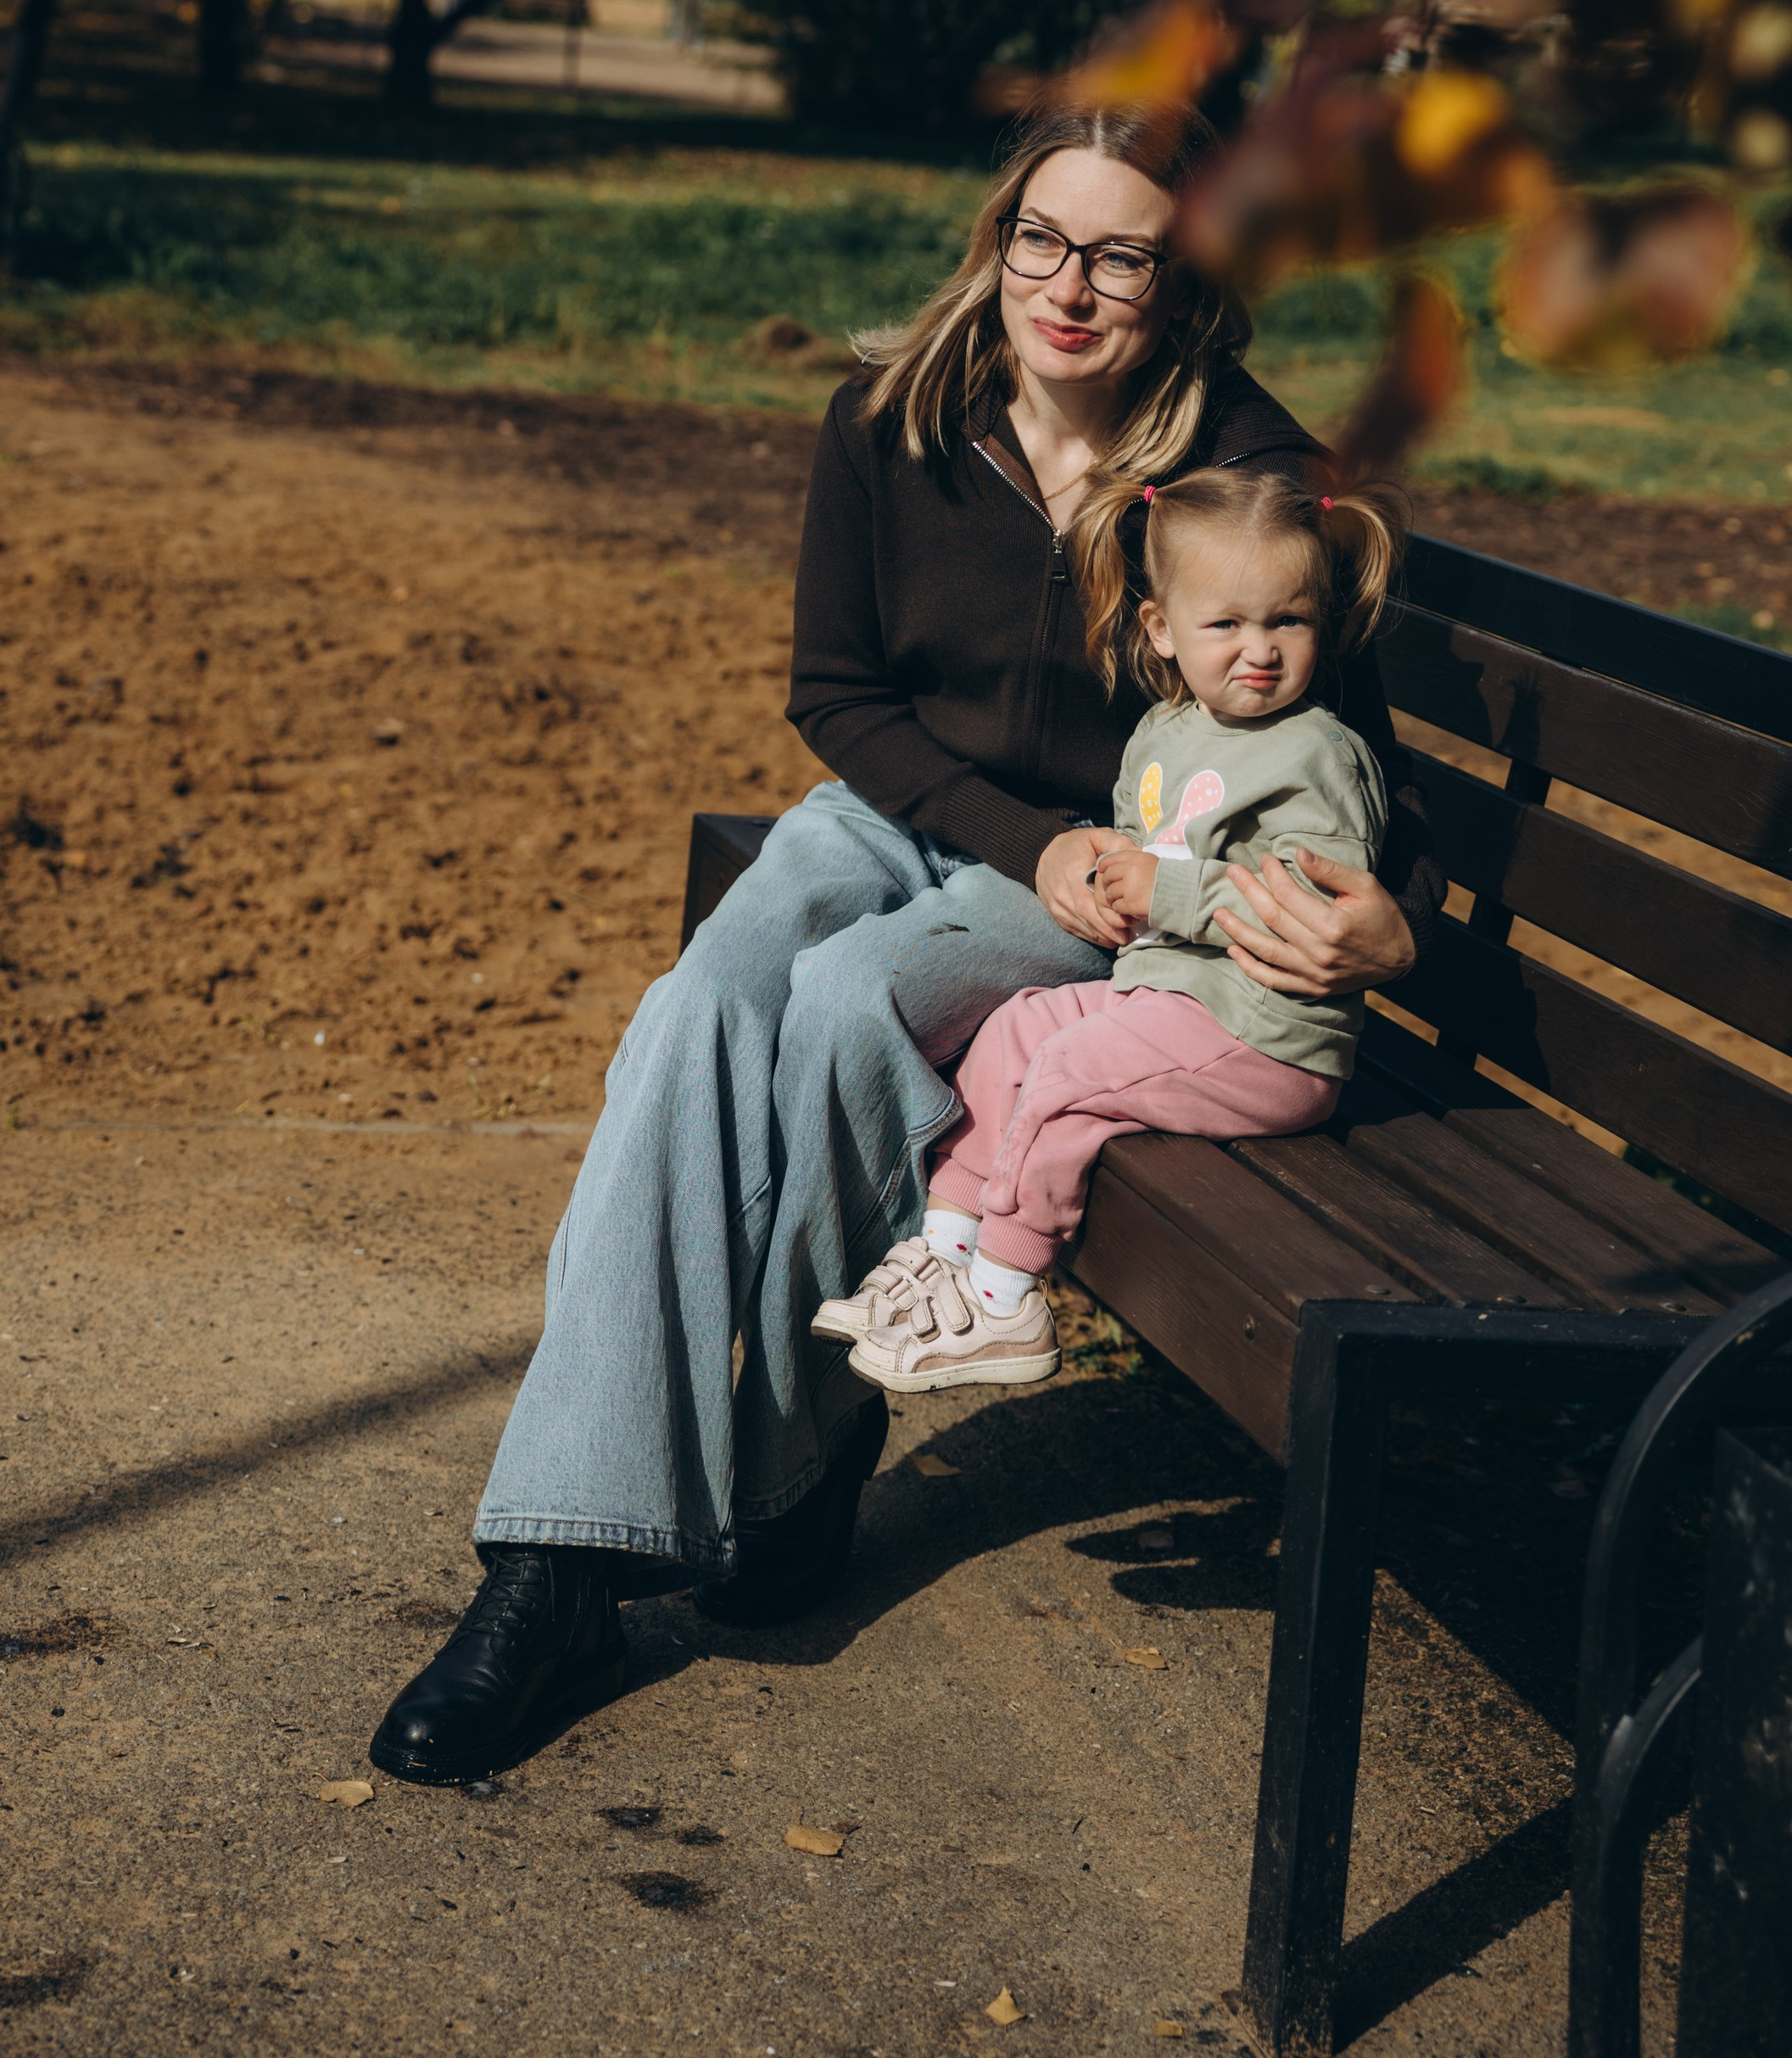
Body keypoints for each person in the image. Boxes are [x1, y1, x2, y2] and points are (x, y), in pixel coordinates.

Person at [367, 103, 1443, 1787]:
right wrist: (1016, 829)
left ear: (1185, 287)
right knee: (698, 1014)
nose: (1065, 285)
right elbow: (835, 694)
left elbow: (1365, 766)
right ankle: (562, 1564)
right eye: (1039, 236)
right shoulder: (890, 416)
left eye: (1116, 254)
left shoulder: (1237, 465)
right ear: (994, 236)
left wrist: (1393, 921)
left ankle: (781, 1471)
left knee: (852, 1007)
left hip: (1096, 883)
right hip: (912, 819)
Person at [821, 461, 1404, 1394]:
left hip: (1266, 1038)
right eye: (1226, 625)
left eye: (1286, 622)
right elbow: (1150, 850)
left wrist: (1164, 890)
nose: (1258, 650)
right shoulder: (1167, 734)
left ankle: (1007, 1296)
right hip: (1174, 1002)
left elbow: (1307, 902)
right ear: (1161, 631)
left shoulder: (1316, 754)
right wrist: (1108, 875)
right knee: (1015, 1029)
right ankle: (943, 1251)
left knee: (1067, 1071)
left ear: (1318, 627)